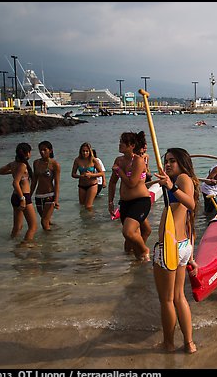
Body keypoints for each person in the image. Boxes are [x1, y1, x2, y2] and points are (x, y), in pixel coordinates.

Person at [152, 147, 200, 354]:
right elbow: (189, 223)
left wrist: (171, 186)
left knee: (167, 299)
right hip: (181, 246)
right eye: (166, 161)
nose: (168, 164)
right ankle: (189, 344)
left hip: (169, 248)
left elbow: (190, 204)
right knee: (179, 296)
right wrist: (191, 255)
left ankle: (169, 343)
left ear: (182, 162)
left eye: (172, 160)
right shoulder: (181, 181)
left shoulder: (182, 179)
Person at [107, 132, 152, 261]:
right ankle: (139, 267)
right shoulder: (119, 160)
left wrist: (119, 171)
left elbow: (132, 183)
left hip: (140, 201)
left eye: (123, 142)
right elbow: (112, 182)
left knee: (128, 232)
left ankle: (145, 249)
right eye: (120, 141)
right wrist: (110, 201)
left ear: (132, 146)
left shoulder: (138, 160)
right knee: (131, 239)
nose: (119, 144)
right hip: (125, 202)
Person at [0, 142, 38, 243]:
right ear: (27, 153)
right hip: (22, 196)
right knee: (33, 227)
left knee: (17, 227)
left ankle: (11, 244)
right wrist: (22, 199)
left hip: (14, 196)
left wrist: (13, 172)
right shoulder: (23, 165)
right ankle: (24, 246)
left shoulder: (13, 164)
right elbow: (15, 183)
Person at [30, 141, 61, 231]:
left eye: (44, 150)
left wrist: (56, 200)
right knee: (46, 221)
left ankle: (49, 243)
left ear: (50, 150)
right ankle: (55, 233)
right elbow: (34, 181)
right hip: (38, 196)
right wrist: (28, 196)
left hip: (49, 195)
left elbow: (57, 183)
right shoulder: (36, 163)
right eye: (40, 150)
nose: (42, 152)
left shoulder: (55, 165)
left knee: (44, 222)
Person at [71, 142, 103, 211]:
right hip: (82, 185)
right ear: (80, 151)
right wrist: (80, 176)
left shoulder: (93, 160)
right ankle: (84, 221)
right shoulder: (77, 160)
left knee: (88, 206)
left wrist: (91, 175)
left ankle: (91, 220)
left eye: (86, 151)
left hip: (92, 184)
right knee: (82, 206)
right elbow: (73, 174)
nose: (85, 153)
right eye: (83, 151)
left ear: (90, 151)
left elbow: (101, 173)